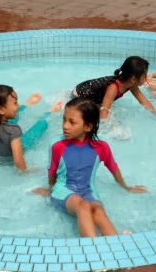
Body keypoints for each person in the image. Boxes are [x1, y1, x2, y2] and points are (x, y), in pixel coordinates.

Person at [34, 97, 147, 237]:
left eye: (72, 122)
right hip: (63, 190)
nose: (65, 126)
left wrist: (126, 186)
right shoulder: (57, 145)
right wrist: (51, 189)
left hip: (88, 190)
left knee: (99, 210)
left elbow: (113, 168)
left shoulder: (101, 146)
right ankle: (93, 246)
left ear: (88, 126)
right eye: (64, 120)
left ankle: (117, 243)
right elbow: (52, 171)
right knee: (83, 206)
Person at [0, 85, 62, 172]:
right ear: (1, 109)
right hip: (14, 152)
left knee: (6, 119)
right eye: (15, 103)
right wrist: (27, 172)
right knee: (40, 126)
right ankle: (51, 112)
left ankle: (28, 104)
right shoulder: (13, 130)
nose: (18, 106)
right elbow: (18, 160)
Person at [72, 56, 156, 120]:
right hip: (80, 95)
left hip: (93, 95)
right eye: (144, 75)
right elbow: (104, 111)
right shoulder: (113, 88)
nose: (146, 78)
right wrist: (113, 128)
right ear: (134, 79)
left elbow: (144, 101)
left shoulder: (131, 84)